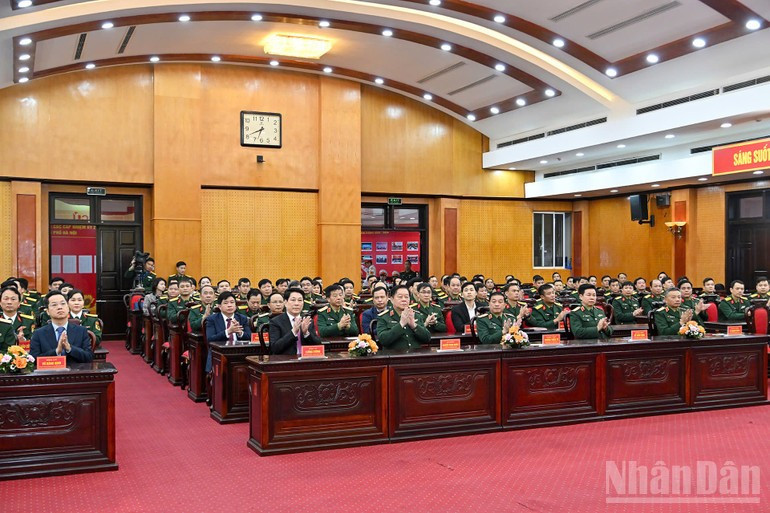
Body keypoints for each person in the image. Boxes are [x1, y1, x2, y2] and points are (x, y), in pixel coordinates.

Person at [30, 291, 93, 363]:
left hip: (75, 372)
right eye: (54, 305)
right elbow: (33, 360)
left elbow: (89, 357)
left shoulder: (81, 331)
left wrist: (69, 348)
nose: (59, 307)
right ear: (47, 311)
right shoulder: (38, 334)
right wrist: (56, 351)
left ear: (68, 308)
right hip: (49, 372)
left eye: (63, 304)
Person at [204, 292, 252, 371]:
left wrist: (240, 333)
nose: (229, 305)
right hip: (219, 354)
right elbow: (210, 339)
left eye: (232, 302)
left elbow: (250, 337)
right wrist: (228, 331)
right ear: (219, 306)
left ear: (236, 306)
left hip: (239, 353)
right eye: (225, 303)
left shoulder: (242, 318)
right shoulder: (212, 319)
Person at [269, 288, 322, 355]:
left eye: (300, 300)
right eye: (293, 300)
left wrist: (306, 333)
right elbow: (274, 348)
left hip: (306, 360)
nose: (296, 304)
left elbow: (318, 346)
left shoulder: (307, 320)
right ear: (285, 303)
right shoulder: (275, 322)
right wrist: (293, 332)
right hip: (286, 362)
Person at [377, 285, 431, 351]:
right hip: (394, 356)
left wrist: (414, 326)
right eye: (400, 297)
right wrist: (401, 324)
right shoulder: (384, 317)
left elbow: (427, 338)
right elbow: (383, 340)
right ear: (391, 299)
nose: (404, 299)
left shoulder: (416, 315)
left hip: (415, 355)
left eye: (406, 297)